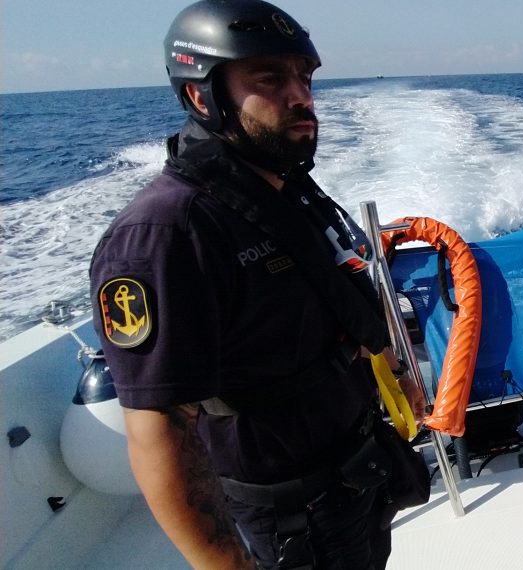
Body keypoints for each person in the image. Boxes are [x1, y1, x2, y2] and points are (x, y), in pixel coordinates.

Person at [88, 1, 425, 567]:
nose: (300, 96)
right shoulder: (167, 234)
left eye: (305, 77)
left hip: (359, 468)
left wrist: (391, 373)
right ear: (201, 95)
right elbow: (160, 430)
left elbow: (335, 299)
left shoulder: (284, 192)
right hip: (294, 516)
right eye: (269, 78)